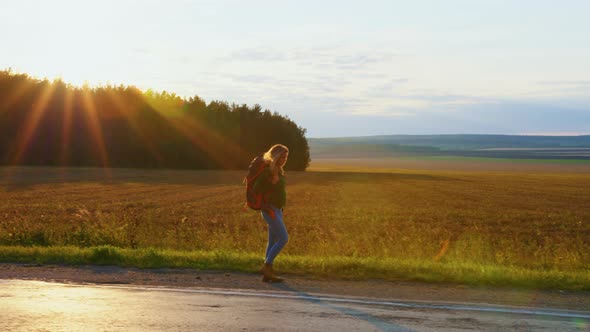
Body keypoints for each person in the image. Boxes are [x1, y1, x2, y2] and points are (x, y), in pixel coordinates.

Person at [253, 144, 289, 282]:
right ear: (276, 156)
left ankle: (267, 274)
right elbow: (256, 189)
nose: (284, 159)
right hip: (270, 210)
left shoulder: (278, 171)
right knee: (283, 238)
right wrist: (265, 206)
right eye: (282, 156)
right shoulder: (268, 171)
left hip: (278, 210)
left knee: (273, 240)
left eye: (286, 157)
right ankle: (266, 266)